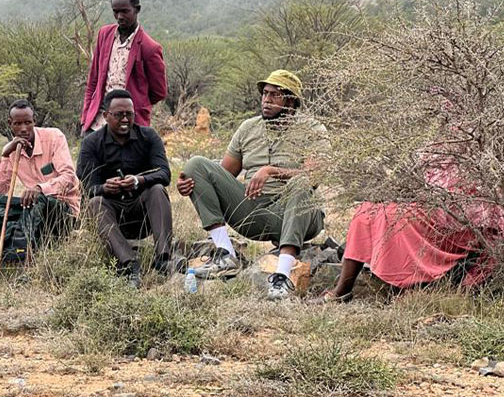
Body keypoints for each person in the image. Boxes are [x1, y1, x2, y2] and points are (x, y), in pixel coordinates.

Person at [176, 70, 327, 299]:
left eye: (275, 95)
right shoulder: (248, 128)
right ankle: (226, 253)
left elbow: (313, 176)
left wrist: (271, 171)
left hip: (298, 212)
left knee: (301, 182)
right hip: (254, 214)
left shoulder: (312, 129)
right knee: (196, 165)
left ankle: (282, 276)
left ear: (291, 100)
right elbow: (223, 175)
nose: (266, 99)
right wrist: (194, 184)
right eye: (265, 94)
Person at [318, 158, 504, 302]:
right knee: (366, 211)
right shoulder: (438, 130)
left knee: (396, 220)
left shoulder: (481, 130)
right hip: (433, 204)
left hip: (466, 216)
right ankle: (342, 291)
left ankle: (405, 287)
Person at [0, 100, 80, 286]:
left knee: (37, 200)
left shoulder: (54, 137)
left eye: (27, 122)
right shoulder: (13, 150)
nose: (23, 128)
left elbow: (69, 177)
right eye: (18, 124)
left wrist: (40, 189)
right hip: (31, 206)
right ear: (10, 124)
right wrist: (5, 155)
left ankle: (28, 272)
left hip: (62, 209)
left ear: (34, 121)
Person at [77, 89, 174, 287]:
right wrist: (105, 187)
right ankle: (129, 263)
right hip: (113, 218)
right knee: (95, 202)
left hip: (143, 213)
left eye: (129, 114)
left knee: (157, 189)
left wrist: (139, 180)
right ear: (105, 116)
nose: (124, 119)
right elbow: (88, 187)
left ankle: (164, 257)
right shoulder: (91, 143)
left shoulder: (148, 136)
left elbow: (165, 174)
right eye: (118, 114)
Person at [80, 0, 167, 134]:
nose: (120, 16)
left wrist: (136, 104)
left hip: (129, 126)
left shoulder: (149, 47)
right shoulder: (104, 35)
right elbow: (93, 81)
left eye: (125, 11)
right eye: (115, 11)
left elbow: (159, 92)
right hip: (97, 123)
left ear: (137, 9)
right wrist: (85, 118)